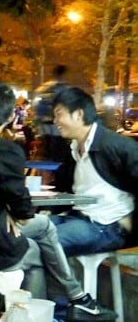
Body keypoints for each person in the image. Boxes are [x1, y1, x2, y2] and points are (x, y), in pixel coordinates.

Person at [0, 82, 115, 322]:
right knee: (43, 234)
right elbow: (23, 210)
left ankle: (71, 302)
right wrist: (10, 210)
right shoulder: (6, 151)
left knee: (39, 235)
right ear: (10, 116)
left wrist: (6, 209)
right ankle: (46, 317)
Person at [50, 87, 137, 256]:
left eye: (58, 114)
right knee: (22, 235)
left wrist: (132, 223)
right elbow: (61, 186)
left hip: (107, 226)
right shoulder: (74, 149)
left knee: (44, 242)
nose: (55, 121)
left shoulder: (115, 146)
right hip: (76, 217)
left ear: (78, 115)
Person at [33, 64, 70, 161]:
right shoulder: (64, 89)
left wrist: (38, 120)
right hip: (57, 126)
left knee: (47, 150)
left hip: (45, 125)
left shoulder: (44, 88)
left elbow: (36, 105)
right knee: (57, 150)